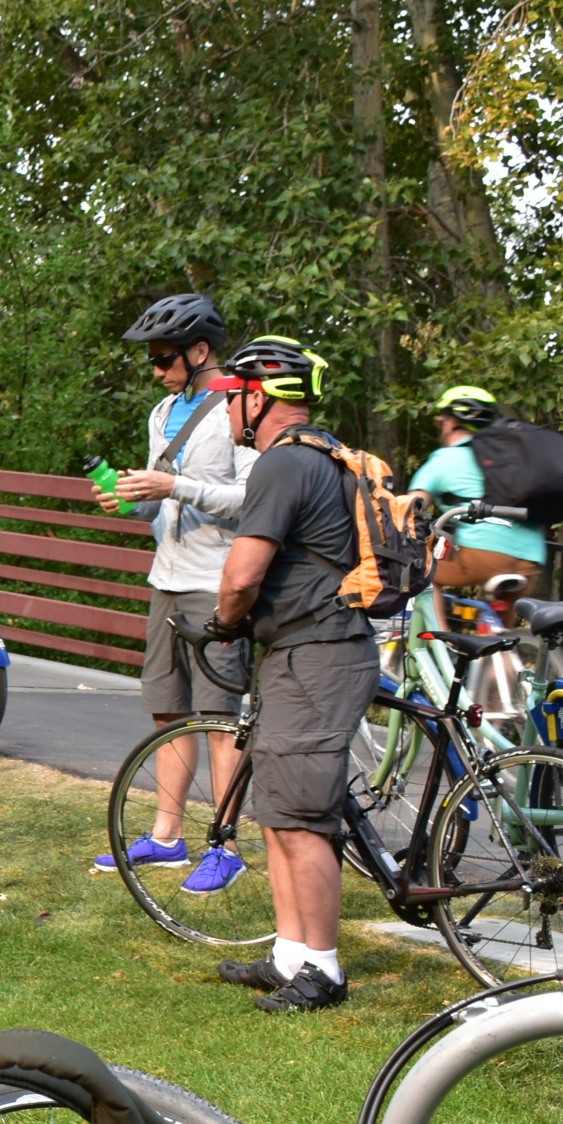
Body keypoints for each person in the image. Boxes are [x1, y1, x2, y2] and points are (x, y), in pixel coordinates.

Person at [206, 336, 377, 1014]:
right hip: (304, 652)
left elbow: (242, 572)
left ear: (258, 396)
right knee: (279, 809)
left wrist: (224, 618)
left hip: (318, 654)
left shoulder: (282, 467)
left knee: (304, 817)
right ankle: (289, 954)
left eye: (229, 398)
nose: (224, 413)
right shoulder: (324, 455)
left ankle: (325, 971)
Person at [92, 293, 255, 892]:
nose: (157, 371)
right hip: (165, 578)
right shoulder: (163, 412)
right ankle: (166, 838)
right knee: (168, 713)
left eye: (165, 359)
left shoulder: (240, 408)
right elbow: (156, 501)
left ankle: (226, 843)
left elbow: (251, 499)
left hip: (216, 584)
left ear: (201, 350)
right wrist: (131, 498)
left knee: (219, 719)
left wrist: (176, 485)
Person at [408, 386, 544, 607]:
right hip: (531, 556)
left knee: (418, 572)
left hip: (486, 554)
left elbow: (407, 509)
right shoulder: (511, 458)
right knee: (498, 633)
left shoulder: (445, 458)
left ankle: (436, 638)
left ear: (450, 422)